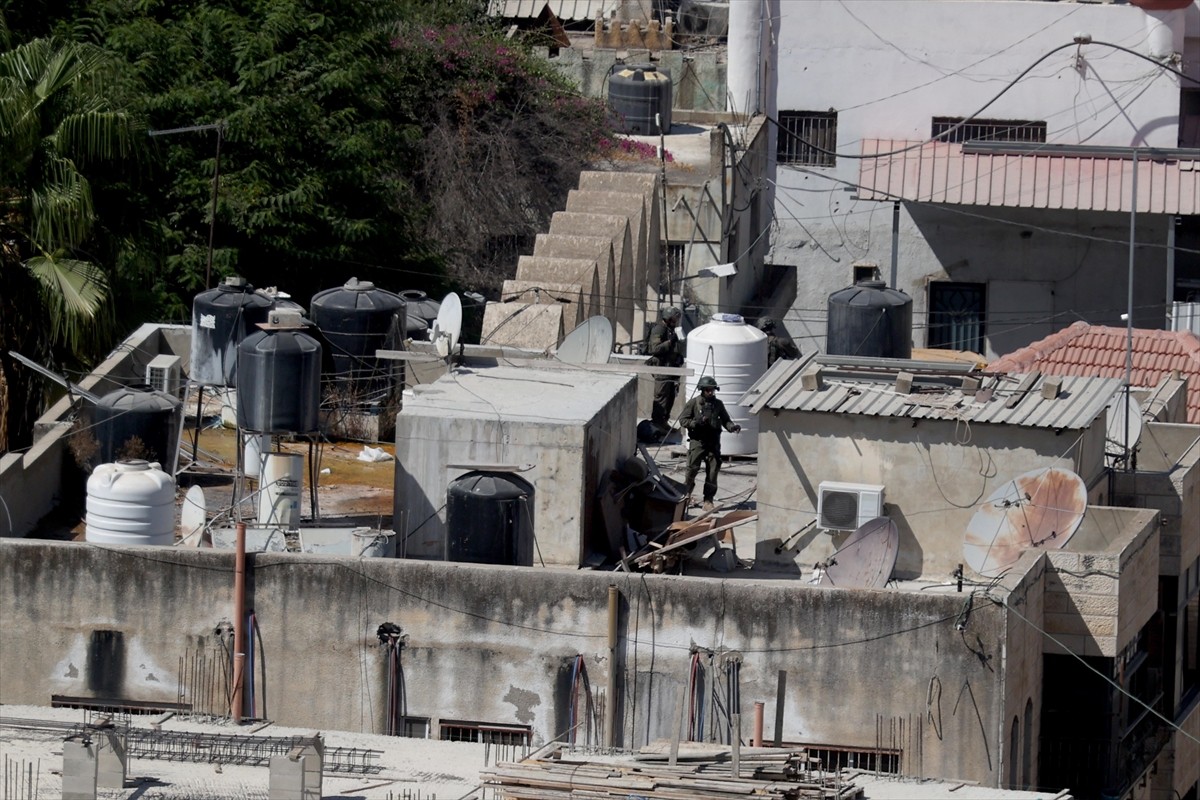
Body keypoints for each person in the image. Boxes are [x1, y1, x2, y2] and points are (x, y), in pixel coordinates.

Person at [678, 375, 741, 512]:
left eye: (712, 390)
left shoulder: (718, 404)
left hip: (713, 442)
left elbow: (725, 420)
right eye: (707, 390)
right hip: (698, 442)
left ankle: (708, 499)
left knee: (712, 472)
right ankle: (686, 493)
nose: (710, 393)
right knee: (691, 469)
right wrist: (696, 423)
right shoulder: (693, 403)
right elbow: (683, 420)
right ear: (702, 390)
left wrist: (732, 427)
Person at [645, 306, 684, 434]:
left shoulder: (671, 330)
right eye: (674, 319)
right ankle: (657, 424)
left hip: (671, 368)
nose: (676, 321)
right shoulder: (659, 329)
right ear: (668, 318)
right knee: (661, 397)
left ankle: (664, 422)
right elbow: (655, 349)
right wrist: (669, 342)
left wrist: (679, 357)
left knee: (671, 396)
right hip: (662, 368)